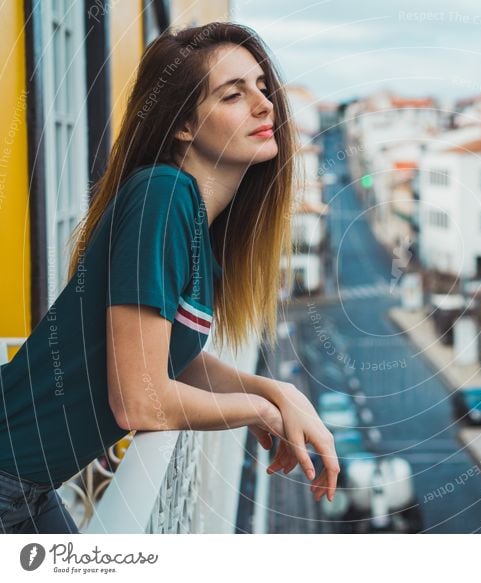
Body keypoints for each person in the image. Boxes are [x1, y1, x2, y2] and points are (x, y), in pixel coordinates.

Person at [0, 21, 339, 534]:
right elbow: (140, 399)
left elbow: (170, 358)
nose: (265, 104)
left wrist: (276, 392)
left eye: (263, 88)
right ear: (182, 125)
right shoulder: (164, 196)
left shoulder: (195, 225)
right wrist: (257, 412)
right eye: (233, 94)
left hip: (28, 482)